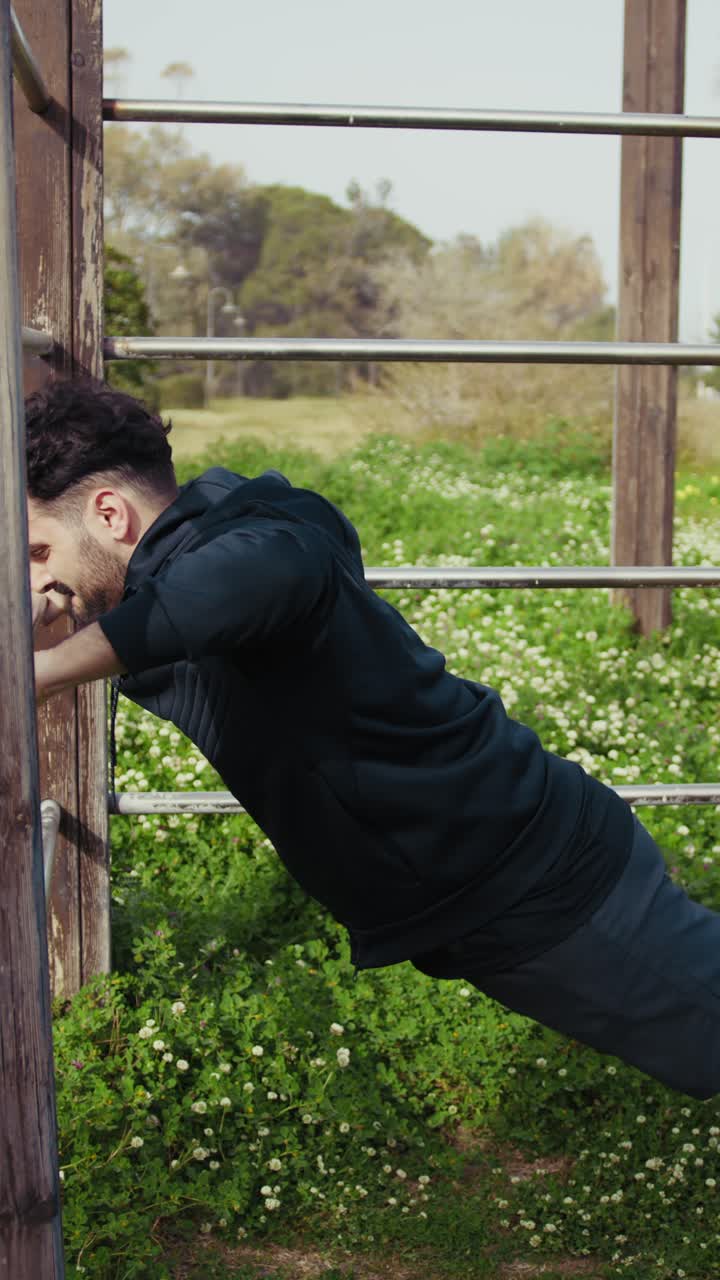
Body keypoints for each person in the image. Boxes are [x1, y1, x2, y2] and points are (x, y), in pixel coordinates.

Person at [26, 379, 720, 1102]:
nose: (40, 580)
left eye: (41, 550)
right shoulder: (201, 543)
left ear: (110, 512)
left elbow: (243, 581)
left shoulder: (256, 550)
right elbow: (173, 610)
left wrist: (34, 674)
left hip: (538, 878)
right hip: (496, 884)